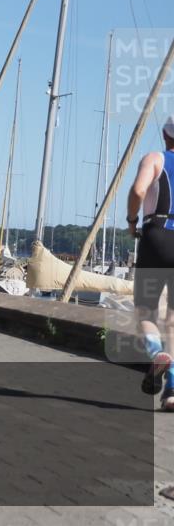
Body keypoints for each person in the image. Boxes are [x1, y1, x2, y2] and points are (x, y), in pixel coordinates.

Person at [126, 116, 174, 411]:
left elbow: (138, 191)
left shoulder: (155, 158)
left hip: (157, 235)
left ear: (165, 135)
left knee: (145, 310)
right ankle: (172, 391)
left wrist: (132, 221)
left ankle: (156, 353)